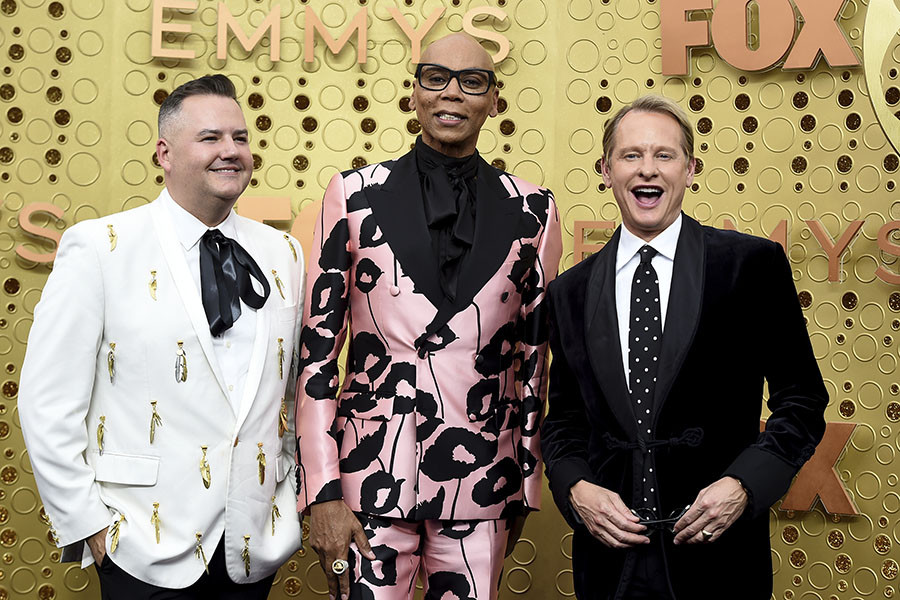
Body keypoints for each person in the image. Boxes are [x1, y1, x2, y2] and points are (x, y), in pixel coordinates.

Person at [295, 33, 562, 600]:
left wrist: (524, 483)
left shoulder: (535, 209)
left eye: (472, 81)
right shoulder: (351, 195)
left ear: (493, 100)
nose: (451, 94)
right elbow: (317, 351)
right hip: (365, 478)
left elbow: (535, 360)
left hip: (483, 479)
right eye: (435, 77)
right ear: (414, 93)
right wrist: (320, 490)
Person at [18, 74, 304, 599]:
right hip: (140, 546)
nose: (231, 151)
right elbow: (47, 401)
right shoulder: (100, 247)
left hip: (252, 544)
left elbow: (290, 395)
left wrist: (287, 492)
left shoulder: (283, 252)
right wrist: (89, 527)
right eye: (211, 138)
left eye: (240, 138)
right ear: (164, 154)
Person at [540, 95, 828, 600]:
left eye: (663, 155)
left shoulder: (751, 266)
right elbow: (563, 422)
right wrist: (575, 490)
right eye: (630, 155)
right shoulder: (571, 290)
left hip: (719, 561)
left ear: (691, 169)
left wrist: (743, 486)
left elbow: (802, 402)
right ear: (605, 169)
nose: (646, 169)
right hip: (608, 568)